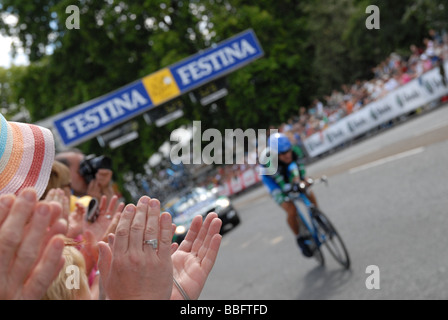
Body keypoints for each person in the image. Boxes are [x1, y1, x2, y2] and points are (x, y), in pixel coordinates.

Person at [259, 132, 318, 257]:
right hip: (273, 182)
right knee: (291, 210)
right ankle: (299, 237)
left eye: (288, 151)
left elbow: (300, 168)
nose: (288, 154)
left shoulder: (294, 150)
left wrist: (302, 180)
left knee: (306, 190)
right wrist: (286, 191)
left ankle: (317, 215)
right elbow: (279, 181)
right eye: (283, 153)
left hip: (288, 170)